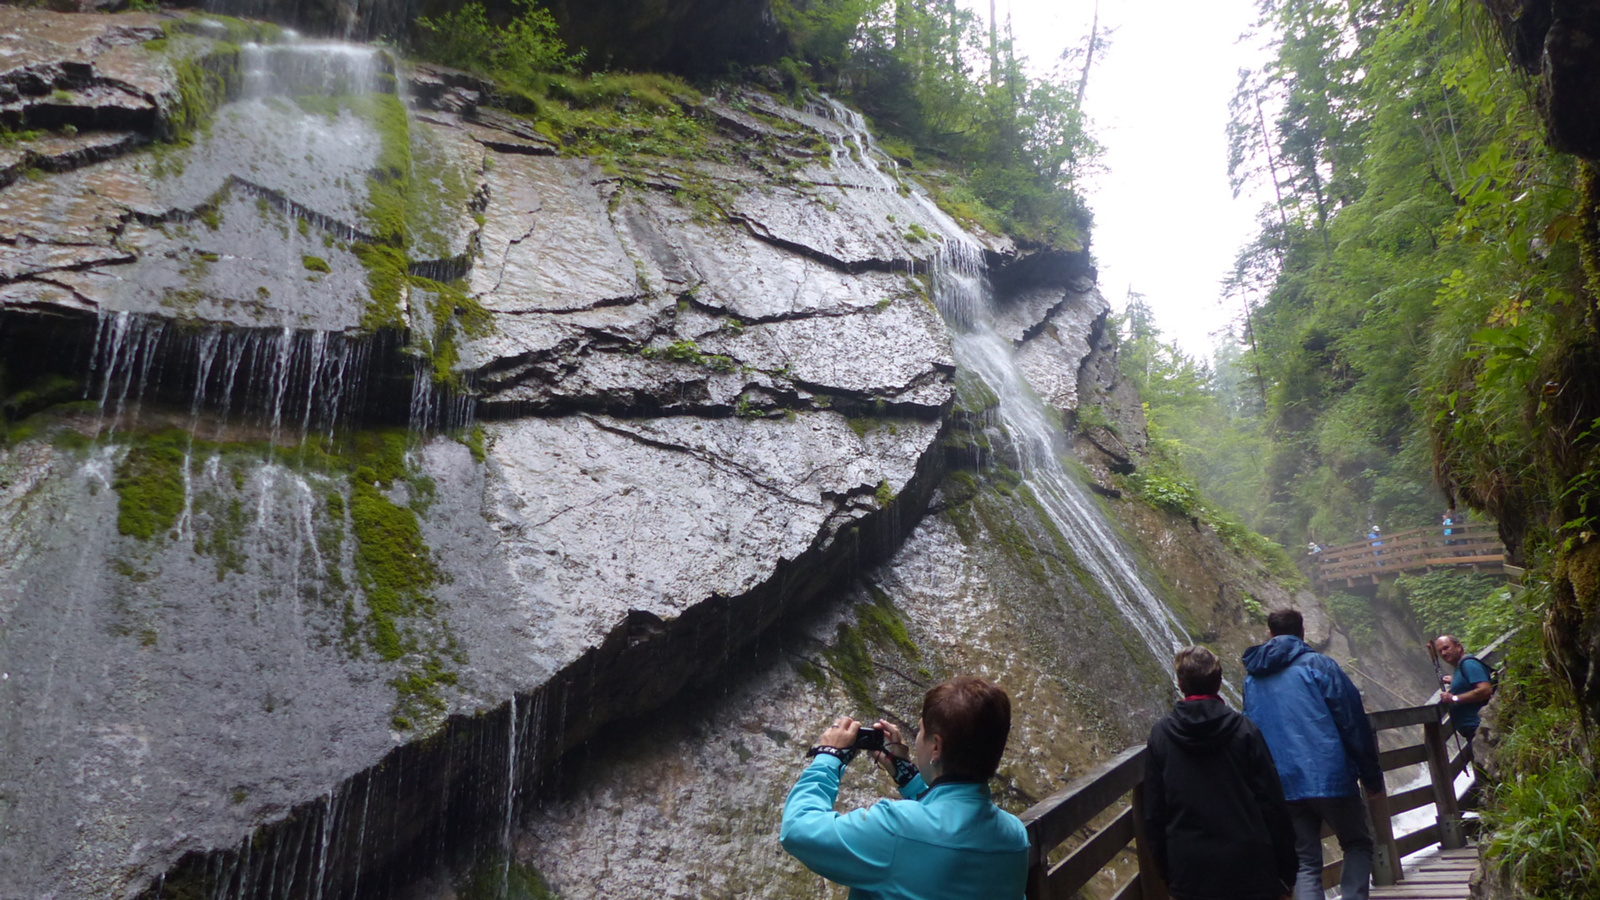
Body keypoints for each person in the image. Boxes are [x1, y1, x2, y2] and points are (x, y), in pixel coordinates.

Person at [780, 676, 1029, 899]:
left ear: (936, 747)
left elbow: (797, 829)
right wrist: (909, 778)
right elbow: (946, 831)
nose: (917, 739)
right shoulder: (1015, 838)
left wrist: (830, 755)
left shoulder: (896, 828)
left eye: (921, 731)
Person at [1243, 609, 1385, 900]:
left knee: (1305, 862)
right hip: (1329, 775)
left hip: (1283, 781)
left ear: (1270, 633)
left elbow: (1251, 731)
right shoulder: (1319, 665)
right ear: (1302, 631)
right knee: (1357, 843)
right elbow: (1351, 720)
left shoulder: (1252, 680)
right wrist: (1370, 775)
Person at [1142, 646, 1297, 900]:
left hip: (1190, 871)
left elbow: (1153, 814)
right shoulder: (1245, 731)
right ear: (1219, 682)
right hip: (1250, 869)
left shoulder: (1161, 736)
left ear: (1181, 684)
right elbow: (1272, 805)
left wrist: (1168, 872)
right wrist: (1287, 871)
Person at [1435, 634, 1493, 741]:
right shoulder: (1460, 668)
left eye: (1446, 648)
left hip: (1481, 729)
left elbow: (1485, 690)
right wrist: (1456, 681)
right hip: (1474, 730)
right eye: (1440, 651)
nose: (1443, 653)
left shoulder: (1469, 664)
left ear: (1459, 647)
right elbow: (1468, 683)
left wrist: (1454, 698)